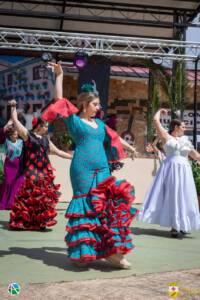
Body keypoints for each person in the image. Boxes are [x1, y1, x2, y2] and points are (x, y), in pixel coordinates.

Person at [42, 63, 139, 269]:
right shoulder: (75, 122)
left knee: (106, 208)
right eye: (95, 104)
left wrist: (130, 147)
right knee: (86, 210)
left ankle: (112, 252)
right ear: (85, 104)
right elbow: (59, 101)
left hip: (103, 170)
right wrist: (59, 75)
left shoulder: (100, 125)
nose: (99, 107)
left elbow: (114, 137)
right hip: (82, 170)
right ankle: (83, 251)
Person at [8, 100, 73, 230]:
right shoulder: (28, 136)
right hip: (32, 172)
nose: (47, 127)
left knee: (42, 199)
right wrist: (13, 107)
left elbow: (58, 152)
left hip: (44, 173)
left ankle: (39, 222)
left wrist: (74, 157)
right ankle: (25, 222)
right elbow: (16, 121)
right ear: (38, 126)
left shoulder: (46, 140)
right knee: (30, 196)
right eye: (45, 125)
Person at [138, 109, 200, 238]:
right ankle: (174, 225)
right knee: (173, 195)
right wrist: (160, 111)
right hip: (171, 169)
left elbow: (196, 156)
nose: (185, 128)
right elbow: (156, 121)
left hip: (184, 171)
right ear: (176, 127)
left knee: (184, 196)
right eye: (183, 126)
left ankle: (182, 224)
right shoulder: (166, 136)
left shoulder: (186, 141)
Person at [0, 120, 24, 210]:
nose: (16, 135)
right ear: (10, 135)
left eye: (17, 134)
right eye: (14, 134)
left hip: (18, 166)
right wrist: (7, 125)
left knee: (17, 183)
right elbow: (1, 135)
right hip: (9, 164)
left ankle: (12, 203)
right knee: (7, 182)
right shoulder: (6, 142)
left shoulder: (21, 142)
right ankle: (3, 203)